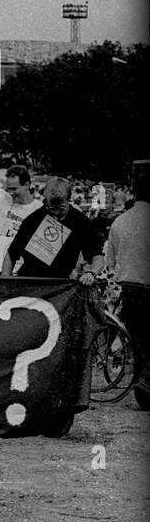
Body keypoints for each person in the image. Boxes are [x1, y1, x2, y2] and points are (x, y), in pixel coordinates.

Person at [104, 167, 150, 409]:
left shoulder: (120, 222)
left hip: (128, 288)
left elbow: (109, 261)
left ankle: (143, 390)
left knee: (140, 339)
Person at [4, 177, 103, 282]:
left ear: (68, 200)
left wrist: (91, 273)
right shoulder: (33, 220)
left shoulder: (81, 222)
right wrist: (5, 284)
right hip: (30, 282)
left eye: (61, 209)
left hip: (61, 286)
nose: (56, 213)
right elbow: (11, 254)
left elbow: (97, 256)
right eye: (51, 208)